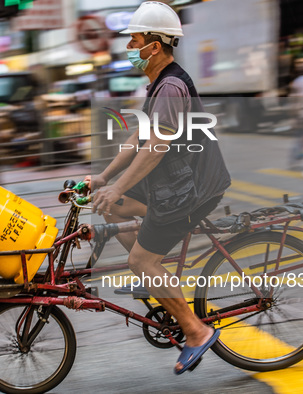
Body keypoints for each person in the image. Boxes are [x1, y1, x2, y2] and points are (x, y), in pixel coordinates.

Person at [86, 2, 231, 374]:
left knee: (139, 260)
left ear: (155, 45)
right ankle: (159, 273)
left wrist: (119, 186)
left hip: (191, 189)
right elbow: (138, 136)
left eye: (135, 40)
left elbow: (156, 147)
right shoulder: (158, 84)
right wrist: (105, 179)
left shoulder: (170, 87)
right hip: (172, 185)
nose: (130, 47)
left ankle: (195, 331)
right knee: (111, 207)